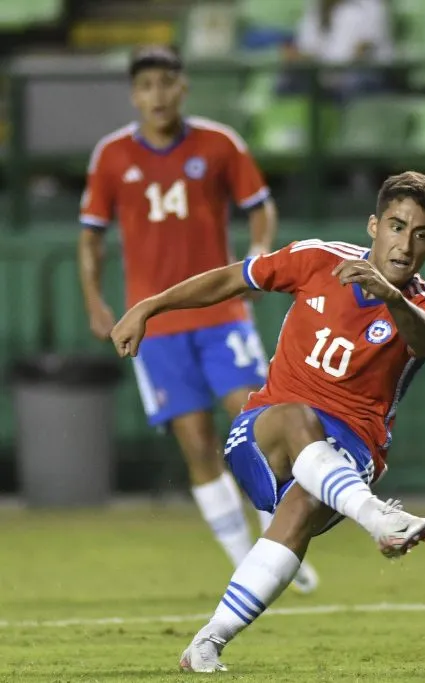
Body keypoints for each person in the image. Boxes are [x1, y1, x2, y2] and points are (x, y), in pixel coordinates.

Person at [109, 171, 425, 673]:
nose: (405, 244)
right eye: (397, 227)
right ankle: (378, 519)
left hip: (353, 454)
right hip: (265, 435)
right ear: (374, 225)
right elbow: (233, 278)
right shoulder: (317, 259)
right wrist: (151, 305)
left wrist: (392, 299)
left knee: (300, 513)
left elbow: (423, 341)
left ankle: (207, 643)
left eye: (420, 235)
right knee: (298, 415)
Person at [77, 45, 319, 592]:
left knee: (255, 417)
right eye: (146, 86)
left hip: (221, 313)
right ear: (134, 95)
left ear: (183, 87)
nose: (157, 95)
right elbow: (90, 235)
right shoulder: (112, 156)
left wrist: (260, 253)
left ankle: (276, 536)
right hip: (157, 325)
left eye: (166, 83)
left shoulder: (218, 144)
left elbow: (260, 204)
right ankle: (245, 560)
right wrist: (94, 299)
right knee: (195, 441)